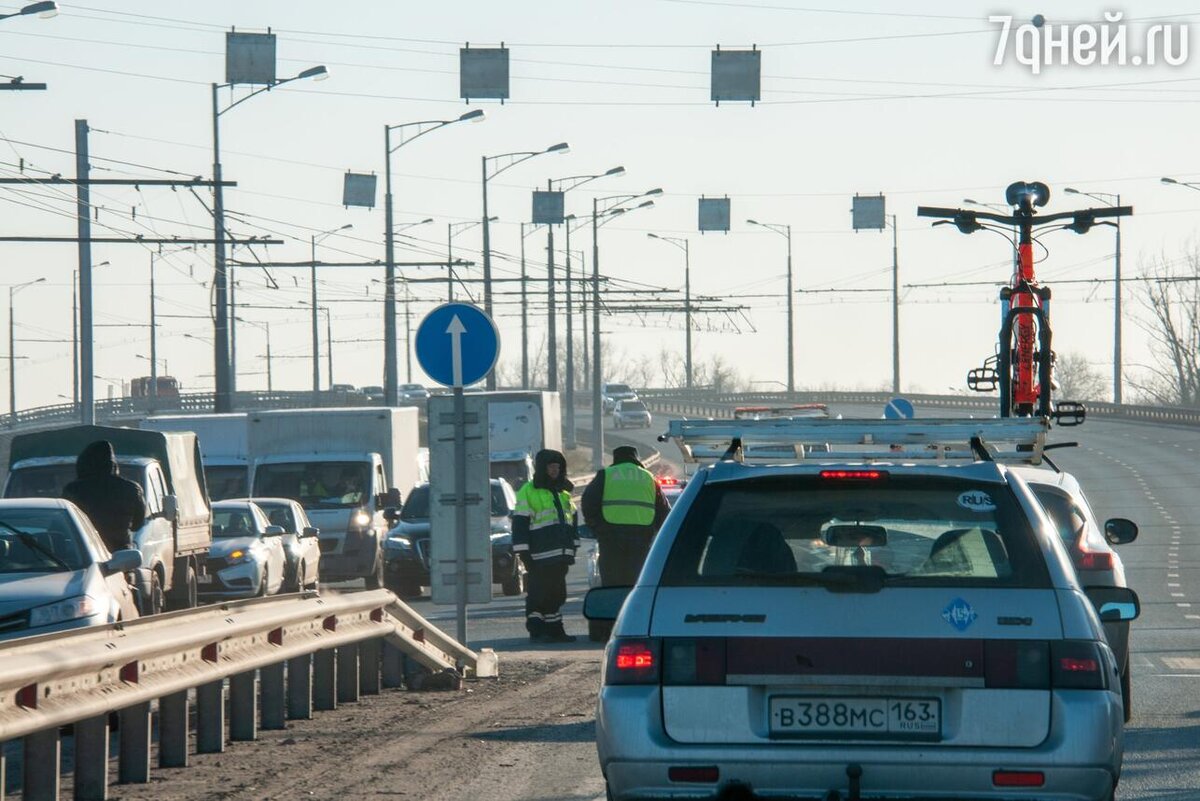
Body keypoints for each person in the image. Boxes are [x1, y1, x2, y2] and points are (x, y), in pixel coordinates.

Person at [512, 449, 580, 644]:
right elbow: (520, 523)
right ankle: (537, 630)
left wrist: (573, 547)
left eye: (558, 467)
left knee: (557, 594)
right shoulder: (529, 490)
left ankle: (555, 631)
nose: (554, 470)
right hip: (538, 555)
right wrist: (523, 553)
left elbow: (571, 520)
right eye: (551, 466)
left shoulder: (563, 492)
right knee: (538, 593)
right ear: (542, 467)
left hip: (560, 555)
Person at [581, 445, 670, 588]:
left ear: (616, 459)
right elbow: (664, 510)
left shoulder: (606, 474)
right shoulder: (649, 478)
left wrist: (597, 527)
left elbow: (588, 502)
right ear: (637, 459)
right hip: (641, 537)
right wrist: (656, 533)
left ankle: (613, 609)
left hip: (611, 537)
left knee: (612, 583)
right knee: (637, 583)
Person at [62, 440, 146, 554]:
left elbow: (63, 525)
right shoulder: (132, 488)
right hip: (121, 553)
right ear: (113, 465)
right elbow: (137, 524)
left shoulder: (73, 490)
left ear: (83, 464)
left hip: (86, 553)